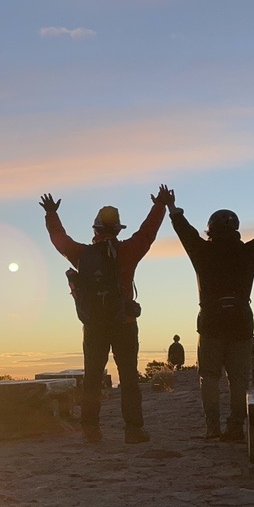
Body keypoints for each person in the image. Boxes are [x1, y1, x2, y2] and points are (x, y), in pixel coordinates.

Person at [160, 186, 254, 441]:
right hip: (241, 321)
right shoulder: (248, 253)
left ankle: (212, 427)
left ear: (210, 230)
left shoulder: (202, 252)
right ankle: (236, 427)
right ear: (236, 229)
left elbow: (184, 231)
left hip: (211, 322)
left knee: (210, 377)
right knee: (239, 379)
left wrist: (171, 206)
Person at [40, 186, 170, 443]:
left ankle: (91, 430)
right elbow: (148, 233)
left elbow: (60, 240)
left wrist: (51, 214)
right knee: (129, 377)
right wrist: (160, 205)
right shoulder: (128, 251)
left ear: (95, 230)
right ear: (117, 229)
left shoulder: (82, 255)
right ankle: (133, 431)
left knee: (92, 376)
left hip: (94, 324)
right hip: (125, 322)